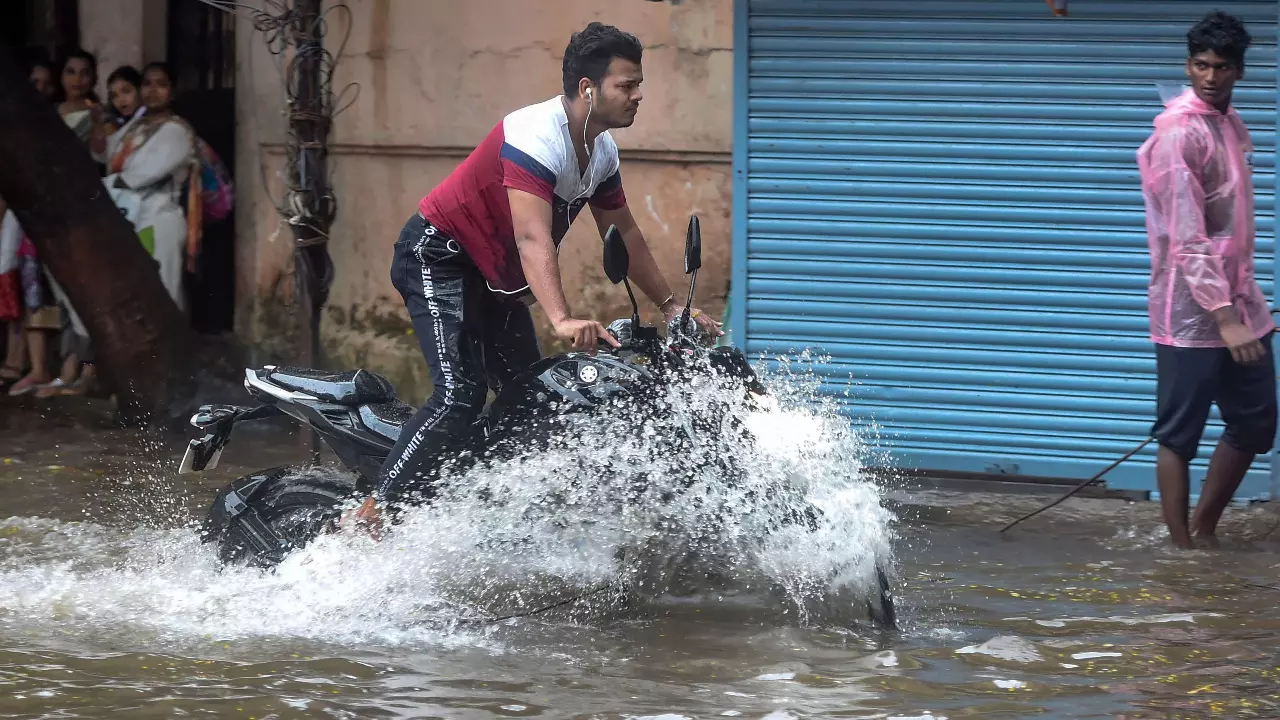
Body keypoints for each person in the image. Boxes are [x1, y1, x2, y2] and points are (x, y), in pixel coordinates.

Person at [345, 22, 722, 537]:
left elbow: (624, 232)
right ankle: (373, 514)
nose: (639, 95)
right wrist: (561, 318)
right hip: (438, 258)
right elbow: (531, 237)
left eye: (639, 84)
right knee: (460, 394)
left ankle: (472, 509)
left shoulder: (601, 152)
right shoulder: (535, 135)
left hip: (495, 279)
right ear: (589, 89)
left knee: (533, 401)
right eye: (627, 85)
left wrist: (671, 306)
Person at [1137, 11, 1274, 550]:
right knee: (1179, 435)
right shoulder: (1178, 133)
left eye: (1221, 67)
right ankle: (1182, 552)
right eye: (1200, 65)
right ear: (1187, 65)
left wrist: (1243, 312)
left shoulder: (1228, 123)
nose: (1210, 76)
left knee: (1256, 423)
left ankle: (1204, 529)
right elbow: (1187, 237)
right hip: (1191, 313)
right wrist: (1224, 318)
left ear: (1239, 71)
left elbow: (1230, 228)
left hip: (1241, 303)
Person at [100, 62, 196, 309]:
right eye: (147, 84)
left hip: (159, 221)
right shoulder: (135, 126)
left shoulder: (176, 131)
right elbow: (106, 156)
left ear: (173, 91)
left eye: (161, 84)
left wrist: (103, 184)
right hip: (130, 218)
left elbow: (138, 176)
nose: (152, 91)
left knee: (162, 299)